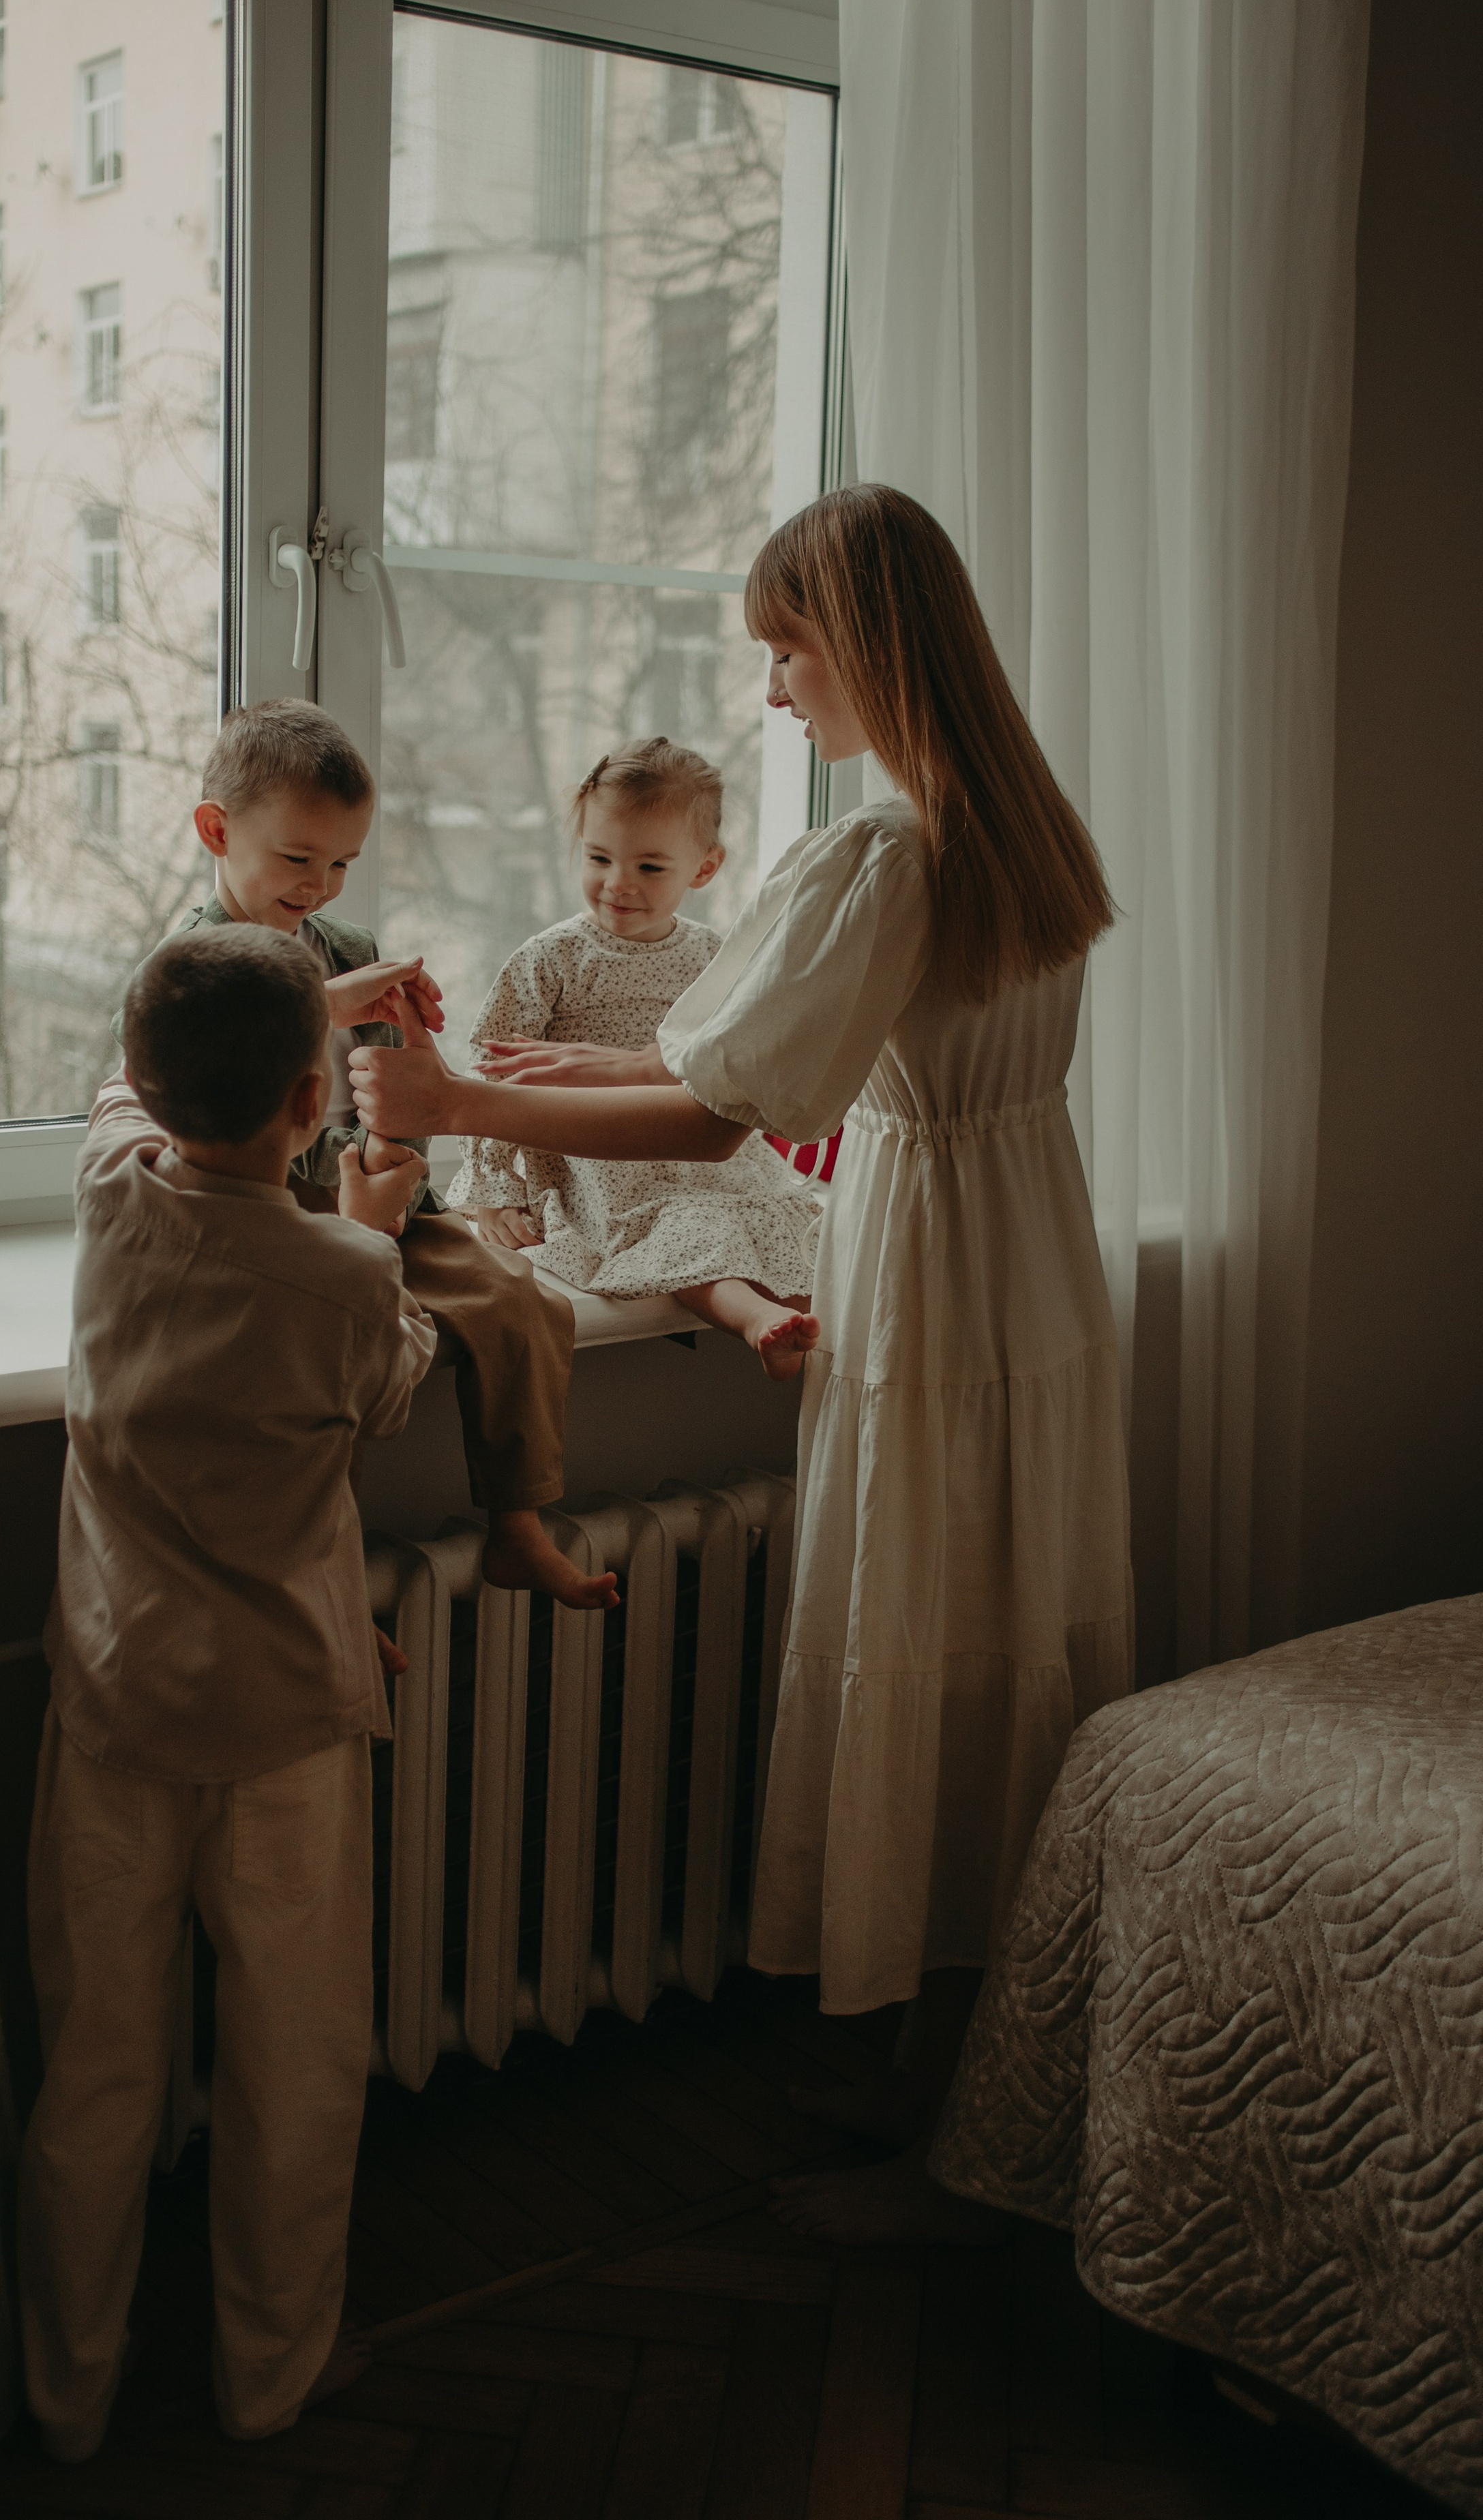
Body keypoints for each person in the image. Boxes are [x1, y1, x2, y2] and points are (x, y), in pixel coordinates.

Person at [348, 484, 1135, 2245]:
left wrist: (462, 1098)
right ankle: (962, 2074)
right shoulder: (1017, 825)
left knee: (922, 1640)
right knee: (997, 1645)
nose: (773, 690)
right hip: (1031, 1261)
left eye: (787, 649)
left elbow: (721, 1113)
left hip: (934, 1277)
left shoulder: (886, 855)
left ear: (865, 644)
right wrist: (547, 1073)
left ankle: (946, 2139)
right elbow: (736, 1060)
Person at [19, 925, 436, 2457]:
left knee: (94, 2072)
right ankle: (270, 2374)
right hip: (282, 1726)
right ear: (313, 1100)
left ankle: (66, 2391)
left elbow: (122, 1091)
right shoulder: (349, 1274)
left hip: (118, 1704)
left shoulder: (108, 1197)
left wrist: (301, 1011)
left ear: (147, 1085)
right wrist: (371, 1217)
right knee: (291, 2066)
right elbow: (389, 1386)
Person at [162, 697, 614, 1613]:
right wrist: (351, 1153)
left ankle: (518, 1523)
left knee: (520, 1298)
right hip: (276, 1226)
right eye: (298, 858)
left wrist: (400, 1131)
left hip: (382, 1195)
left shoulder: (350, 949)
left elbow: (398, 1097)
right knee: (327, 1356)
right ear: (217, 830)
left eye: (342, 863)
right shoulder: (193, 968)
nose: (321, 885)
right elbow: (213, 1101)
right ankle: (324, 1578)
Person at [449, 736, 821, 1377]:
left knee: (786, 1223)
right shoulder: (553, 958)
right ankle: (754, 1320)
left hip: (695, 1138)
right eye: (599, 857)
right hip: (600, 1153)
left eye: (649, 867)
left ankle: (805, 1327)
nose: (618, 883)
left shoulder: (711, 957)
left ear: (703, 868)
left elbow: (732, 1056)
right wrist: (496, 1189)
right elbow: (491, 1073)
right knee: (678, 1231)